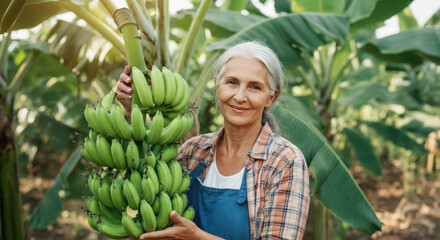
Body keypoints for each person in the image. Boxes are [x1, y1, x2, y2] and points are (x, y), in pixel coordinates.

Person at [116, 41, 310, 239]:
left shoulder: (284, 161)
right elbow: (144, 186)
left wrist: (197, 237)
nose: (240, 96)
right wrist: (133, 110)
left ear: (271, 97)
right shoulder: (192, 151)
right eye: (232, 82)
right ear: (218, 87)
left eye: (254, 87)